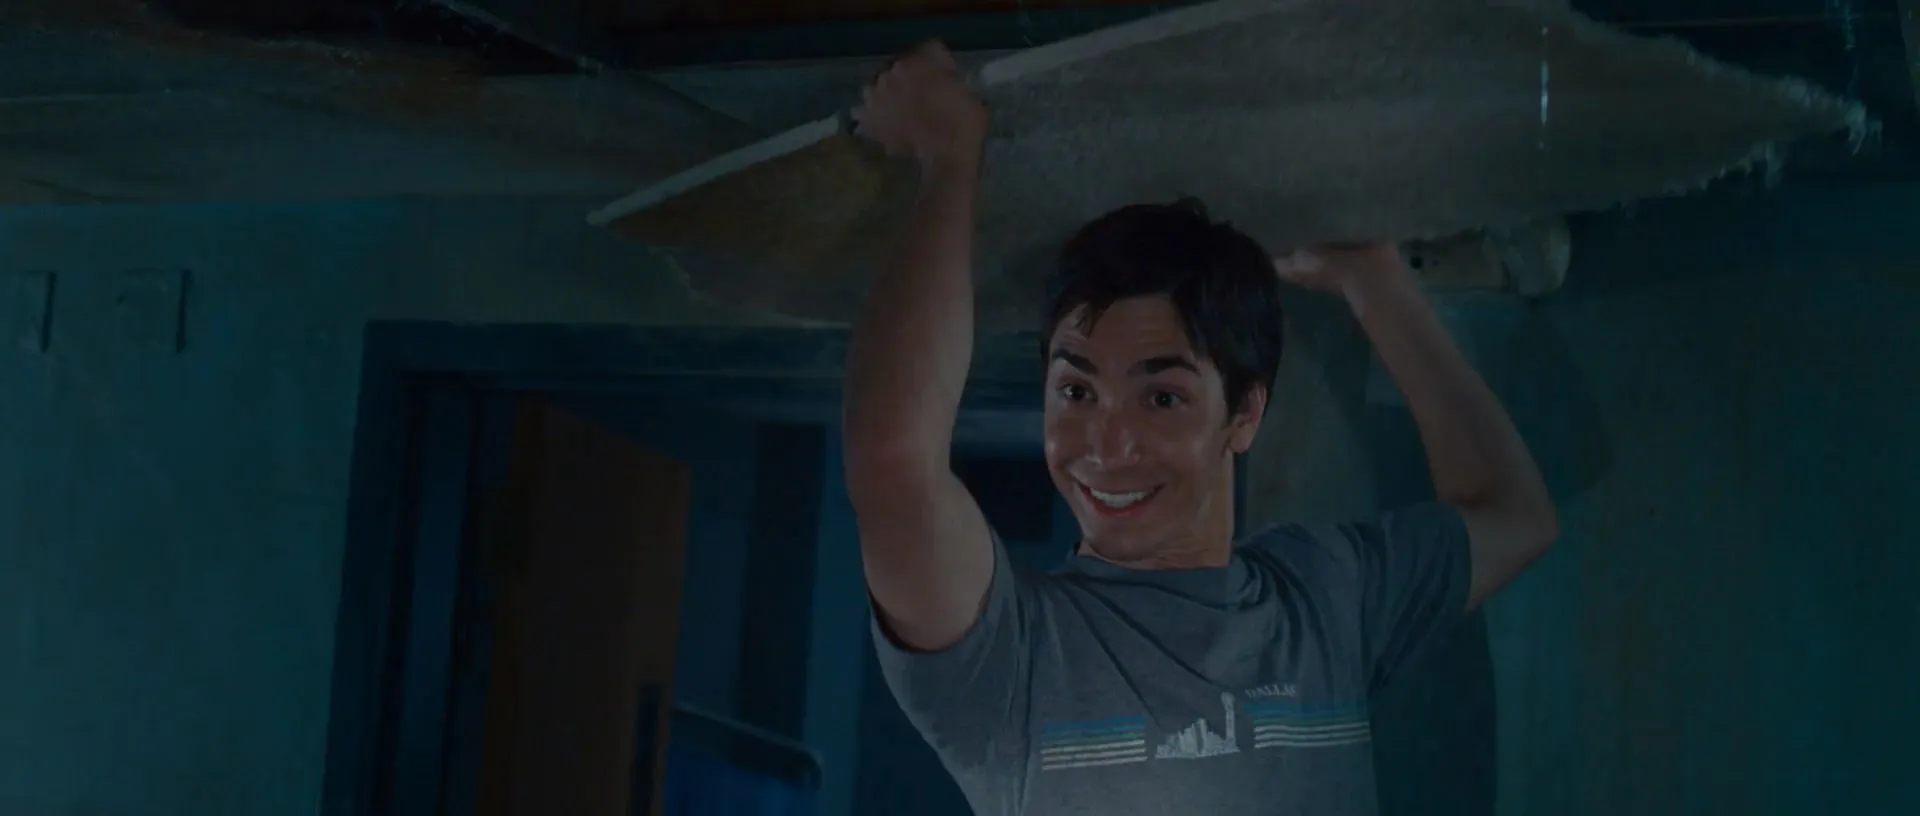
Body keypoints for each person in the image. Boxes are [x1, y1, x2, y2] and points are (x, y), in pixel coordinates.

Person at [841, 41, 1559, 816]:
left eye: (1161, 399)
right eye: (1076, 390)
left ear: (1244, 414)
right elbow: (895, 461)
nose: (1106, 447)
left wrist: (1377, 284)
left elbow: (1515, 516)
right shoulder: (1007, 659)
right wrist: (950, 160)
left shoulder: (1324, 597)